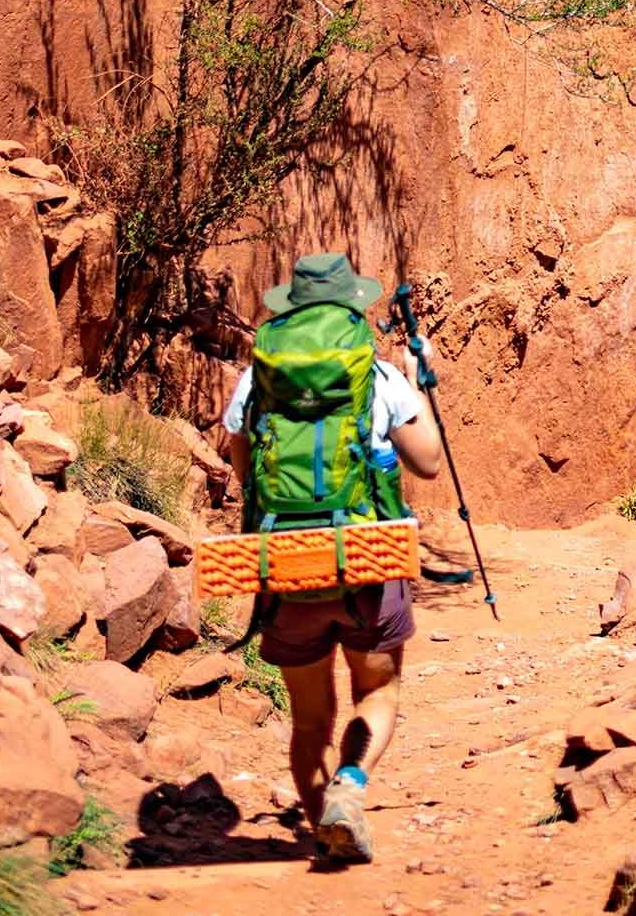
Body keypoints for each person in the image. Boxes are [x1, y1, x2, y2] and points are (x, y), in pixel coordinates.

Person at [221, 253, 441, 865]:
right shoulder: (377, 375)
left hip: (287, 566)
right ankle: (350, 787)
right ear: (352, 307)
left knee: (310, 719)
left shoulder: (255, 381)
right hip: (368, 563)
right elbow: (427, 462)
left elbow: (245, 475)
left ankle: (325, 828)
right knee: (378, 690)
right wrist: (417, 387)